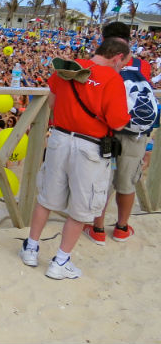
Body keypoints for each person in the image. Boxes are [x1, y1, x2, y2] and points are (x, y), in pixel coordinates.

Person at [18, 37, 130, 280]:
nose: (121, 68)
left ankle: (31, 248)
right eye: (123, 64)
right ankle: (60, 261)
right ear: (117, 57)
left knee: (47, 198)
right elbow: (118, 121)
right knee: (81, 208)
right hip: (90, 147)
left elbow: (52, 102)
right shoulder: (112, 79)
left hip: (59, 138)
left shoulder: (68, 67)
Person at [83, 22, 158, 245]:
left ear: (104, 39)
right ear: (129, 39)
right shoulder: (142, 65)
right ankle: (122, 228)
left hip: (105, 129)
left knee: (101, 179)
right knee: (127, 182)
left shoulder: (100, 62)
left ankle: (97, 228)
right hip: (134, 132)